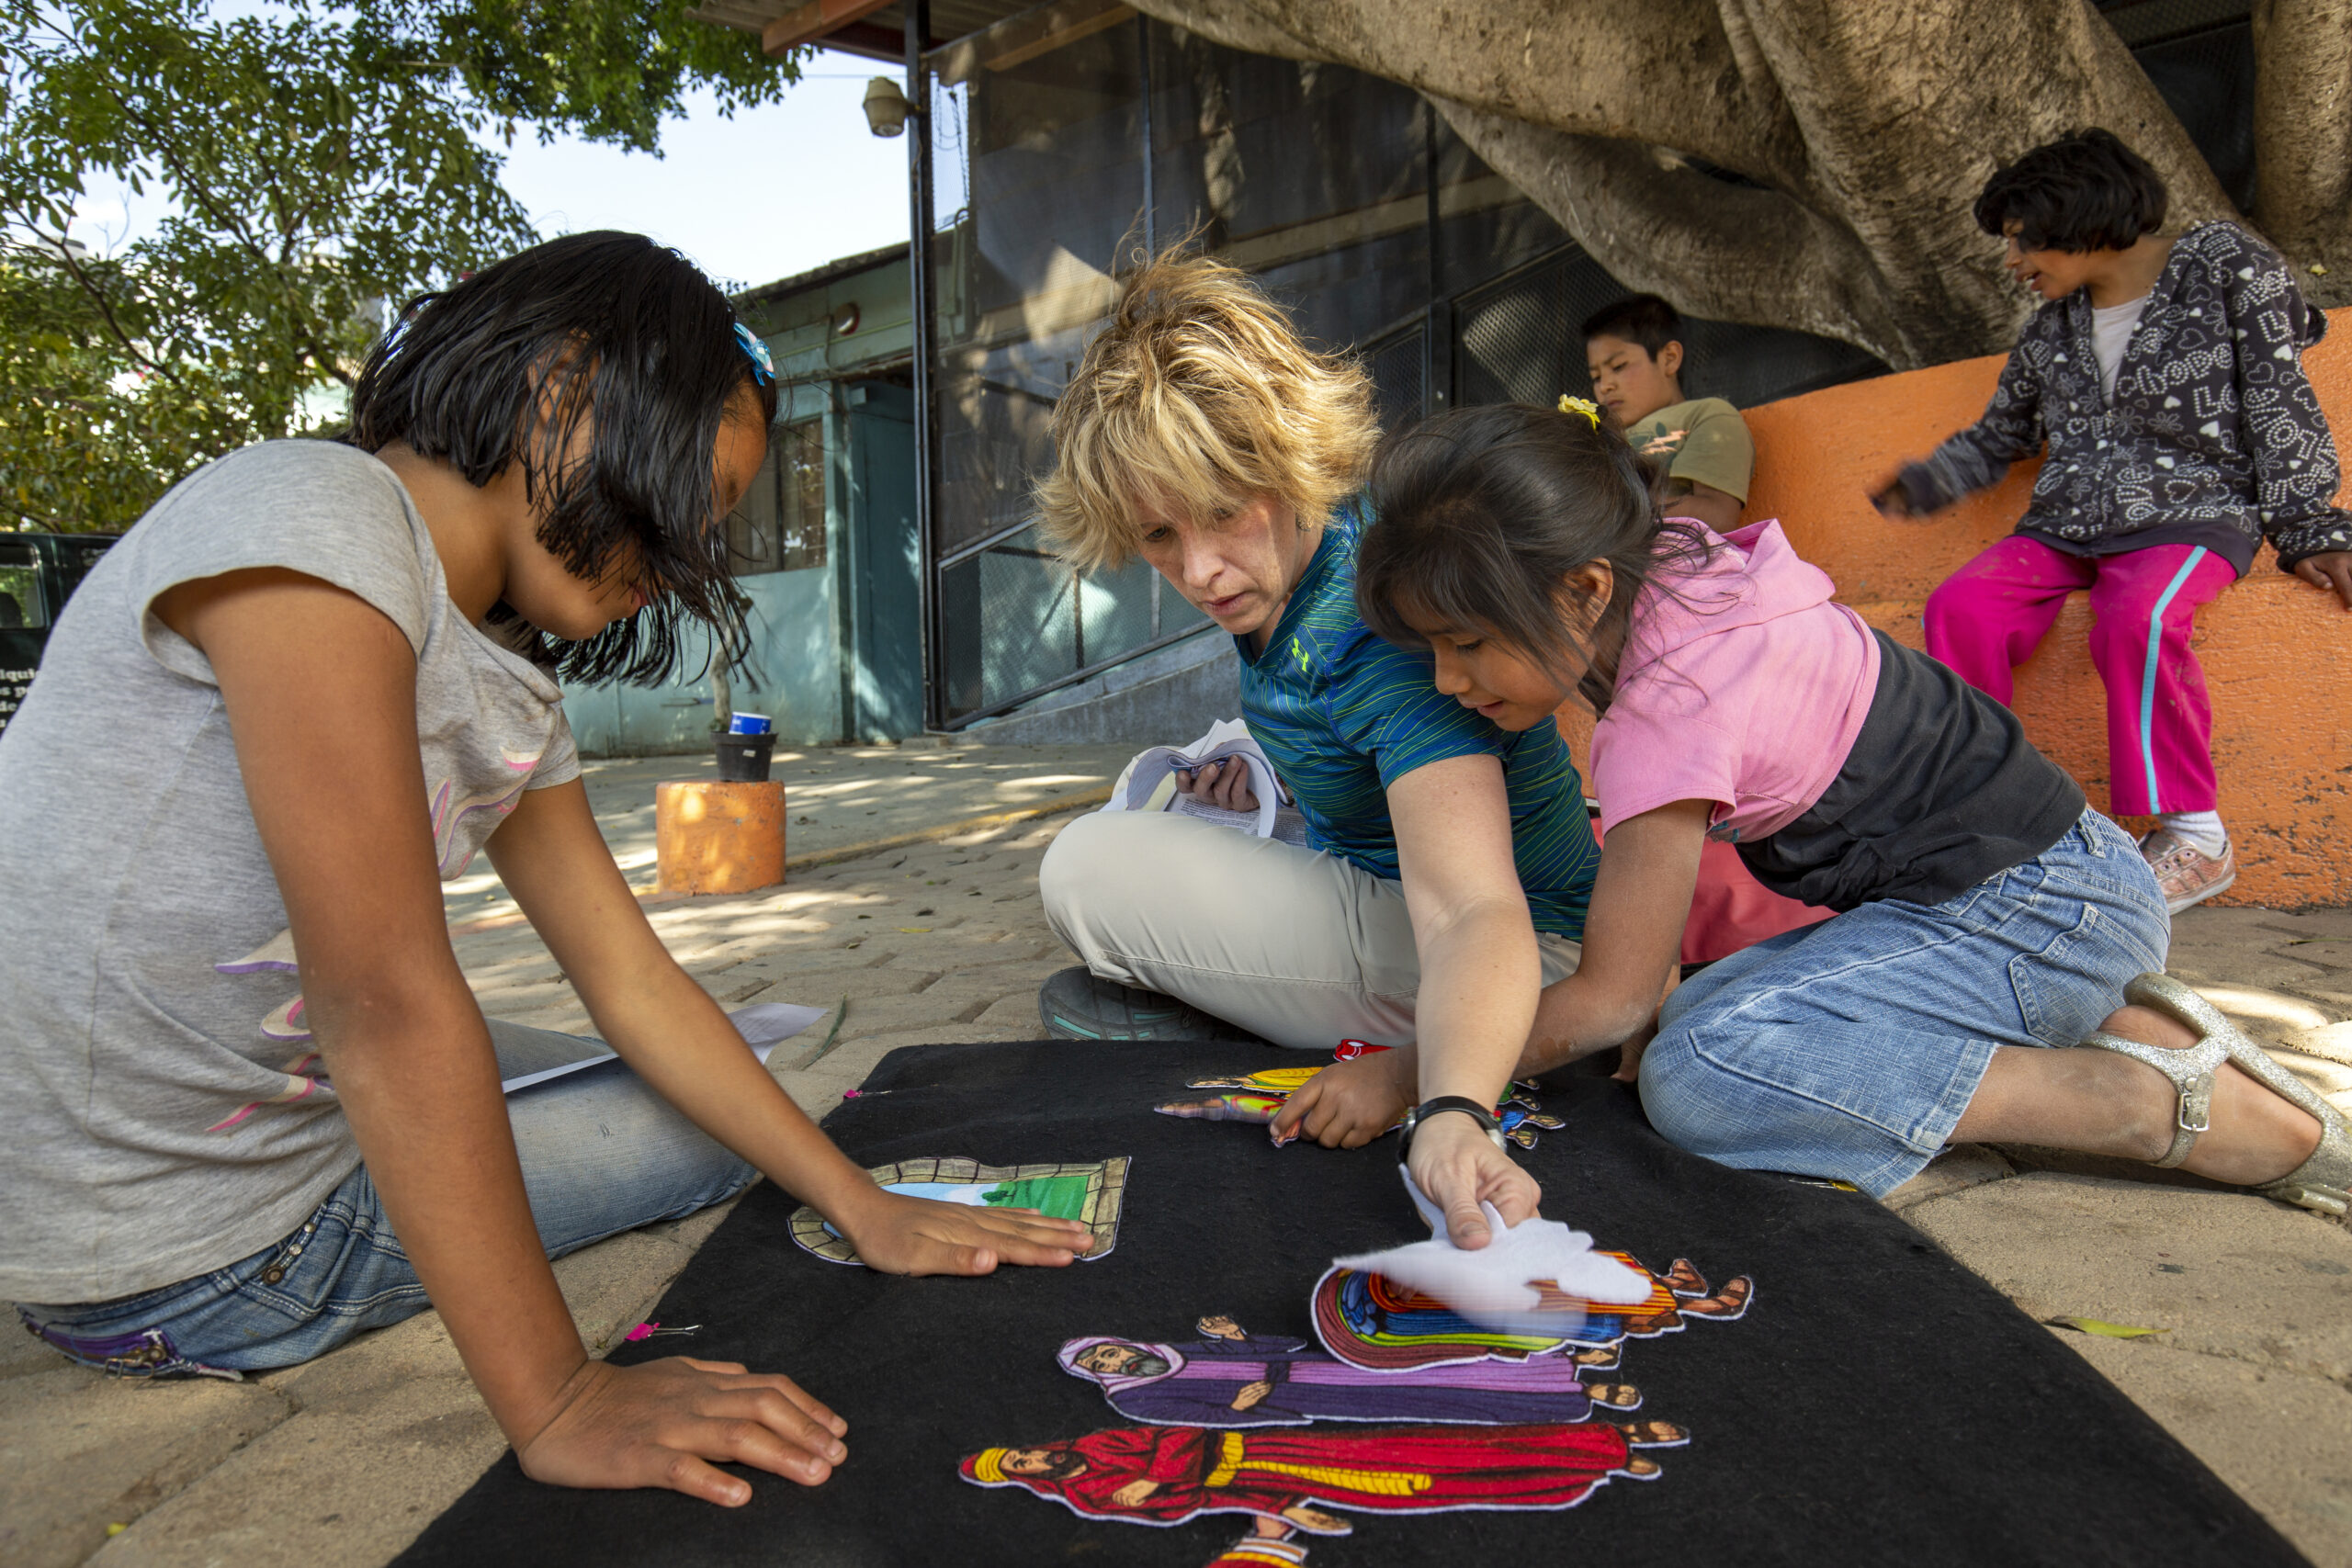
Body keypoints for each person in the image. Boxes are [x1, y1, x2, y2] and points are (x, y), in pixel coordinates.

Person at [0, 232, 1091, 1506]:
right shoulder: (315, 514)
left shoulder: (499, 677)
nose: (692, 552)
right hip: (177, 1255)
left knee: (726, 1073)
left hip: (219, 1117)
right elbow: (388, 1004)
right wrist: (560, 1394)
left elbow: (630, 975)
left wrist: (864, 1201)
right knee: (692, 1134)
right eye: (690, 497)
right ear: (564, 391)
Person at [1342, 397, 2348, 1215]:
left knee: (1697, 1069)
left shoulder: (1669, 709)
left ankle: (2137, 1100)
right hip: (2059, 890)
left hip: (2039, 922)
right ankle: (2100, 1028)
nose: (1444, 681)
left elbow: (1608, 999)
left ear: (1582, 590)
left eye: (1466, 643)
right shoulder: (1694, 568)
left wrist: (1415, 1081)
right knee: (1700, 1008)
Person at [1029, 250, 1601, 1248]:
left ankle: (1391, 1036)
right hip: (1429, 917)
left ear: (1286, 459)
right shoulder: (1311, 570)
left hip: (1528, 963)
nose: (1199, 569)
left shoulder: (1368, 624)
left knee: (1084, 865)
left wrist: (1453, 1108)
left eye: (1220, 509)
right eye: (1158, 534)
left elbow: (1471, 904)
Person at [1872, 128, 2352, 913]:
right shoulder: (2049, 332)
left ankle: (2196, 834)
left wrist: (2311, 527)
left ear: (2081, 219)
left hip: (2193, 516)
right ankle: (1985, 819)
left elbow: (2279, 398)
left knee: (2139, 615)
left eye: (2022, 241)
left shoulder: (2227, 265)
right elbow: (2005, 434)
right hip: (2066, 524)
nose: (2013, 262)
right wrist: (1928, 482)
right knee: (1960, 606)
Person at [961, 1418, 1683, 1533]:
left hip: (1267, 1444)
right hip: (1270, 1479)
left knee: (1426, 1455)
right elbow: (1186, 1508)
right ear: (1027, 1479)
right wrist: (1288, 1511)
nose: (1029, 1461)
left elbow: (1180, 1436)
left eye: (1019, 1452)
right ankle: (1592, 1464)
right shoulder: (1085, 1492)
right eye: (1018, 1469)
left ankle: (1606, 1437)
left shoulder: (1095, 1441)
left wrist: (1153, 1474)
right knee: (1435, 1489)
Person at [1582, 293, 1751, 534]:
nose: (1605, 385)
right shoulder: (1598, 438)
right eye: (1596, 377)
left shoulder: (1705, 415)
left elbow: (1719, 515)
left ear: (1669, 358)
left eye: (1619, 366)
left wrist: (1615, 509)